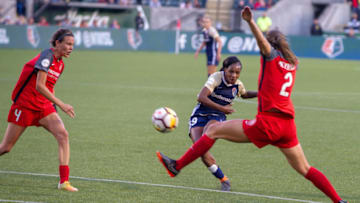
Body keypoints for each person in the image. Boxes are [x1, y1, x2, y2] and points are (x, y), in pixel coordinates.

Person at [156, 7, 347, 203]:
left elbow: (263, 44)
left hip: (267, 123)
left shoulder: (271, 58)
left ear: (272, 45)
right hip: (287, 125)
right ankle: (339, 201)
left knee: (212, 131)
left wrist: (250, 21)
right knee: (306, 169)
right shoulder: (293, 63)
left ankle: (176, 166)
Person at [0, 29, 78, 192]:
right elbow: (39, 86)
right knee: (6, 148)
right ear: (58, 43)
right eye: (68, 44)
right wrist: (62, 105)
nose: (71, 48)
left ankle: (64, 182)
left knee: (63, 135)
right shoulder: (47, 57)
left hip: (43, 107)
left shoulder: (60, 64)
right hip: (25, 106)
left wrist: (54, 109)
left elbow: (49, 88)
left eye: (73, 45)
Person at [187, 56, 257, 191]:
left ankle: (224, 183)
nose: (234, 75)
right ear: (225, 69)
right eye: (231, 71)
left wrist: (261, 93)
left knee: (208, 134)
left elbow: (245, 94)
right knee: (200, 149)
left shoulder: (238, 85)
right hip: (200, 113)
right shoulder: (216, 78)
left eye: (237, 73)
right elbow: (201, 97)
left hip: (217, 116)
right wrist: (223, 108)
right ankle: (224, 179)